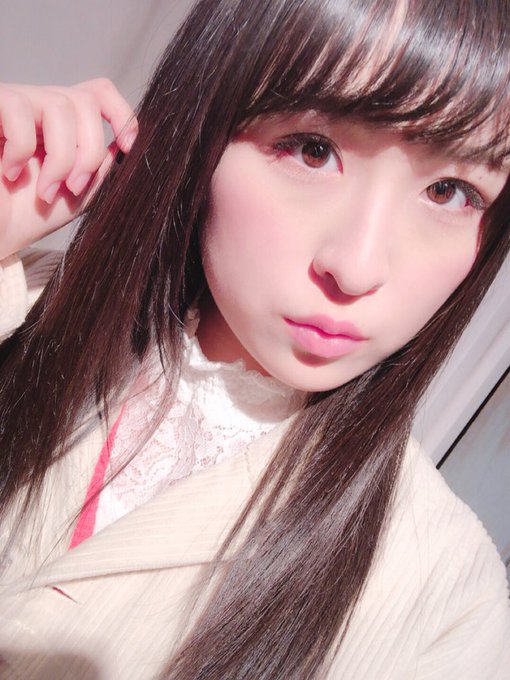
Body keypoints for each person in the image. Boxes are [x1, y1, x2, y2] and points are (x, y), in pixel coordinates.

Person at [0, 0, 509, 678]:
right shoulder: (21, 305)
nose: (357, 268)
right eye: (313, 150)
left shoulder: (449, 603)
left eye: (450, 192)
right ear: (200, 129)